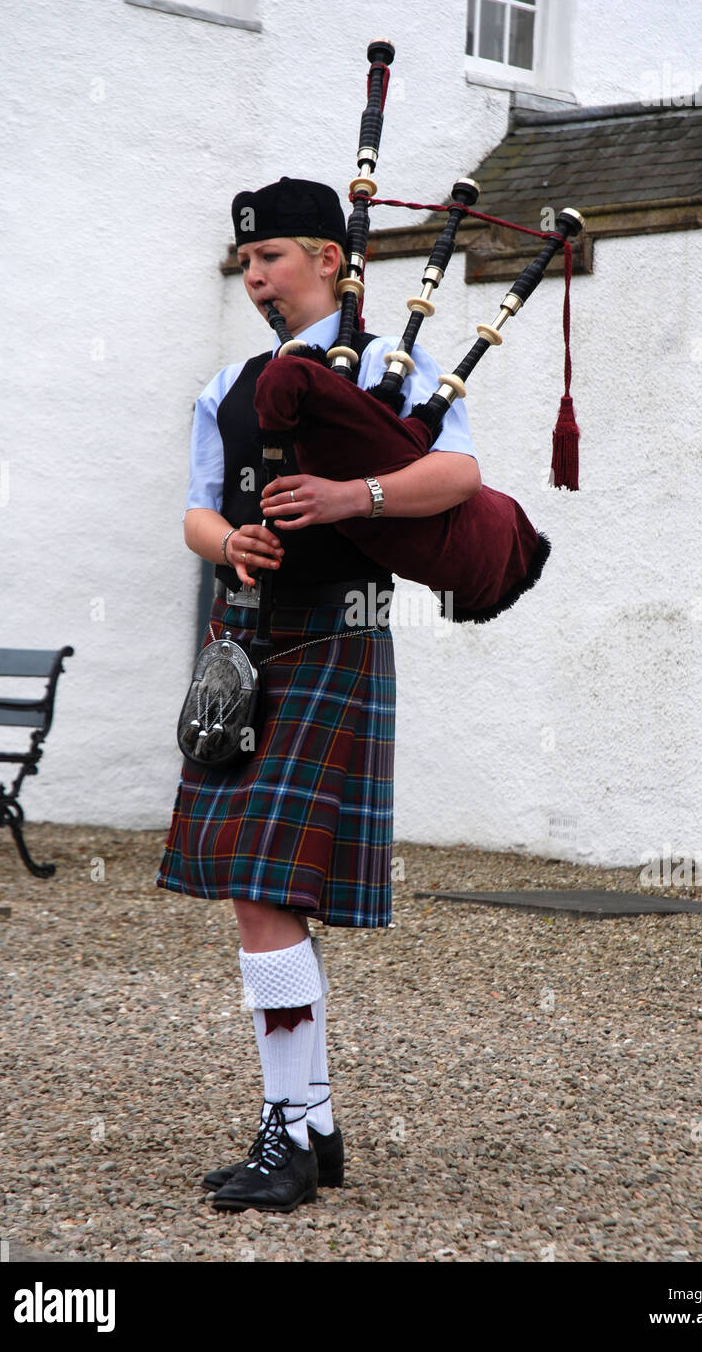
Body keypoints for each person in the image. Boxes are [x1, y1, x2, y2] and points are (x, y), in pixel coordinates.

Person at [157, 177, 481, 1213]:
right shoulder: (231, 383)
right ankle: (316, 1126)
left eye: (273, 260)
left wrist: (354, 494)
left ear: (334, 263)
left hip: (335, 639)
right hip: (246, 643)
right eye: (246, 264)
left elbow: (461, 473)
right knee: (265, 887)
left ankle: (290, 1138)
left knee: (262, 888)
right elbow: (198, 517)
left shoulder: (397, 370)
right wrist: (231, 541)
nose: (254, 278)